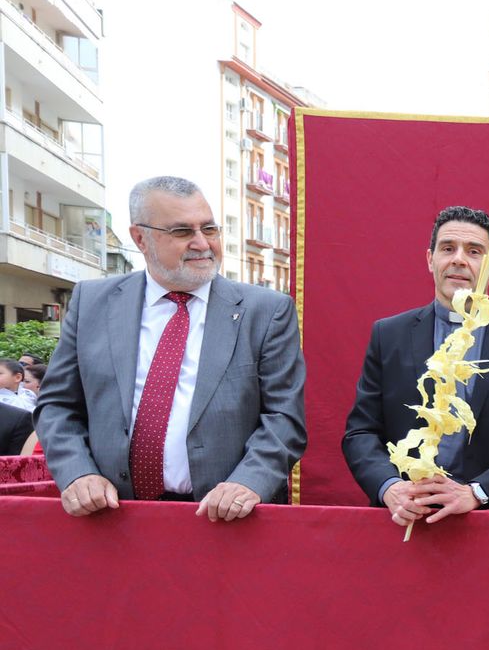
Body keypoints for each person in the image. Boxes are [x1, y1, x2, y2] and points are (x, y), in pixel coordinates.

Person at [33, 175, 306, 520]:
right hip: (112, 517)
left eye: (209, 229)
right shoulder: (92, 302)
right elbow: (57, 405)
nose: (201, 243)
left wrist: (248, 481)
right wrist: (78, 473)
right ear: (140, 238)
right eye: (181, 232)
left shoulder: (266, 311)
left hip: (227, 521)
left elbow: (284, 418)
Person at [343, 205, 489, 526]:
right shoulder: (388, 335)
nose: (458, 259)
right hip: (405, 519)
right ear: (430, 259)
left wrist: (476, 493)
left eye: (474, 251)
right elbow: (361, 431)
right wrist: (390, 488)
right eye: (448, 249)